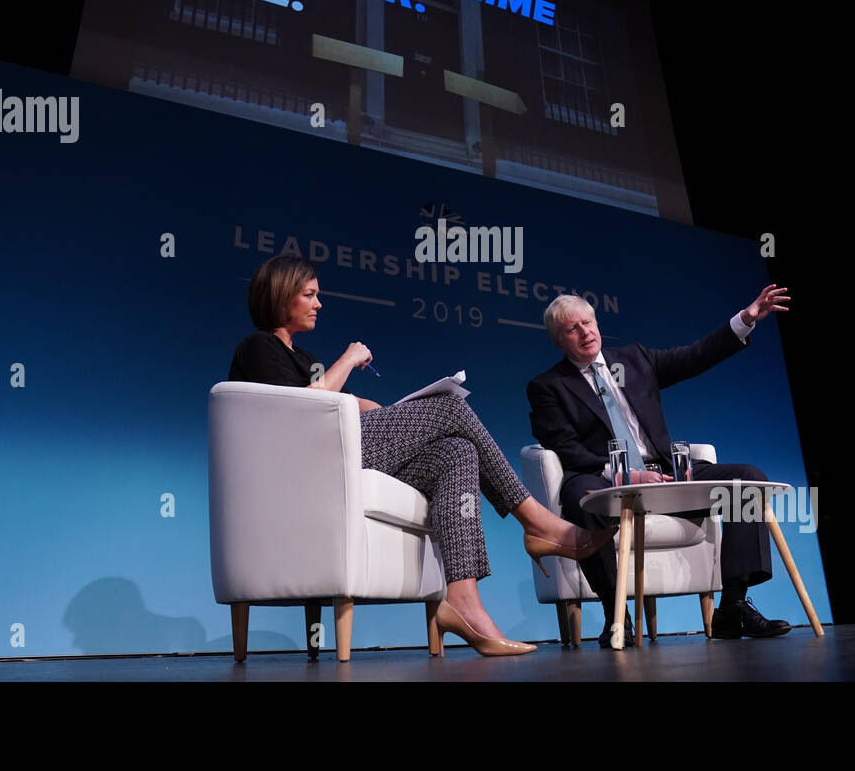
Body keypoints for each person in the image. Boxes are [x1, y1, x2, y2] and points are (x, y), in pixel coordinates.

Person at [227, 254, 616, 657]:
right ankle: (537, 522)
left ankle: (464, 602)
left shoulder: (305, 360)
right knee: (451, 408)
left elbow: (343, 402)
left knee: (457, 451)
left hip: (341, 450)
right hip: (311, 463)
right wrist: (350, 358)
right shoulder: (258, 347)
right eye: (309, 295)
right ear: (281, 296)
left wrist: (388, 411)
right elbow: (304, 410)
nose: (319, 304)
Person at [526, 287, 793, 646]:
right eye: (573, 329)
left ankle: (733, 606)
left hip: (667, 472)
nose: (585, 332)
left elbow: (695, 356)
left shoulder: (634, 359)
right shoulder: (548, 386)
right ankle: (616, 616)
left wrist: (744, 320)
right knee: (578, 498)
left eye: (588, 322)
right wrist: (621, 473)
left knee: (747, 480)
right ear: (559, 340)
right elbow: (565, 447)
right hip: (604, 476)